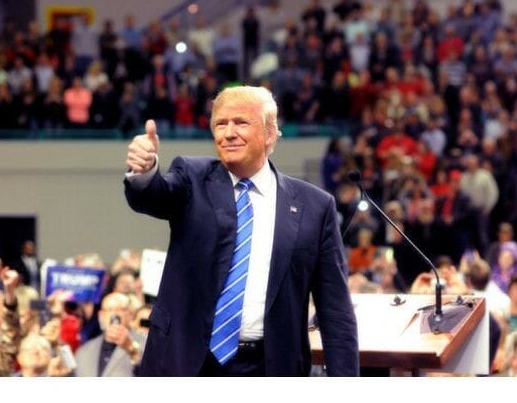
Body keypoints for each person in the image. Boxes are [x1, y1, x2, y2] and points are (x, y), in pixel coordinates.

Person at [124, 85, 358, 376]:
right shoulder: (192, 177)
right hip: (186, 361)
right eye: (221, 124)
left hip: (270, 369)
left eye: (241, 122)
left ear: (270, 134)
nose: (229, 133)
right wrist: (145, 171)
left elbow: (336, 311)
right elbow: (155, 195)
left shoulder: (315, 206)